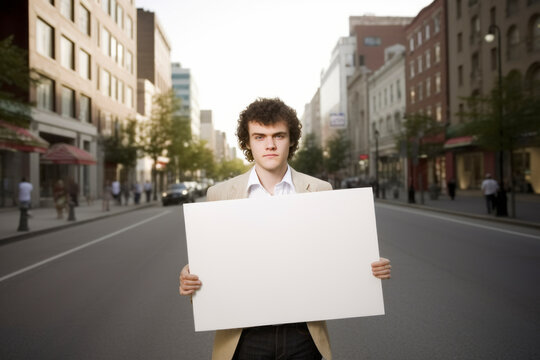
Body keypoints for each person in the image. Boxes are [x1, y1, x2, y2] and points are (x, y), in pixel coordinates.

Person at [178, 98, 392, 360]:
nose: (269, 144)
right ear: (247, 142)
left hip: (303, 334)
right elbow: (211, 267)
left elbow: (336, 258)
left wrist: (367, 268)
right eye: (260, 136)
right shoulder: (219, 195)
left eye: (278, 135)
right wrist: (191, 280)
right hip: (243, 336)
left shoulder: (320, 191)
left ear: (291, 140)